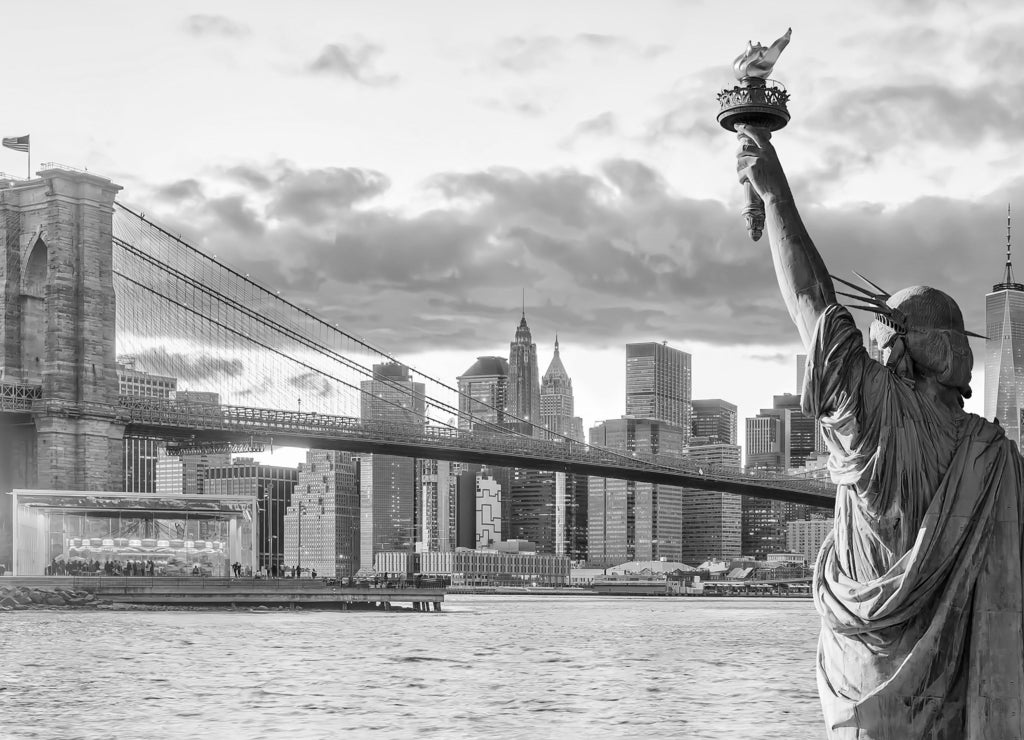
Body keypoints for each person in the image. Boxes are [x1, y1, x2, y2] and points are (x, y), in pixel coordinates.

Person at [736, 124, 1024, 738]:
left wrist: (775, 194)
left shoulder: (878, 420)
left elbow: (814, 303)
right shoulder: (993, 455)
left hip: (865, 690)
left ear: (895, 350)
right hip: (954, 707)